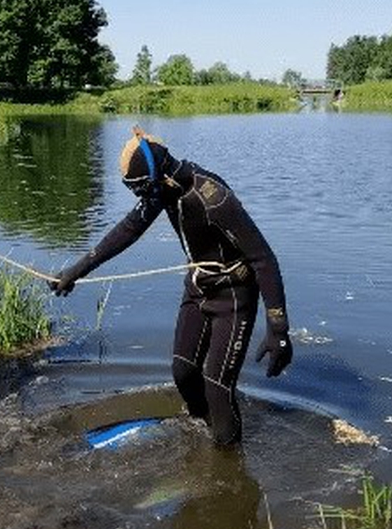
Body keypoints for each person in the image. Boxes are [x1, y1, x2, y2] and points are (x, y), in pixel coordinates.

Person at [50, 127, 293, 447]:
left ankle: (228, 458)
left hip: (232, 296)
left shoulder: (213, 198)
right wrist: (76, 271)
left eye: (140, 190)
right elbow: (128, 230)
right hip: (197, 288)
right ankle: (203, 434)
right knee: (183, 372)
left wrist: (278, 329)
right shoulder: (163, 189)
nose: (142, 200)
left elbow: (263, 259)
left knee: (217, 386)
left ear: (158, 176)